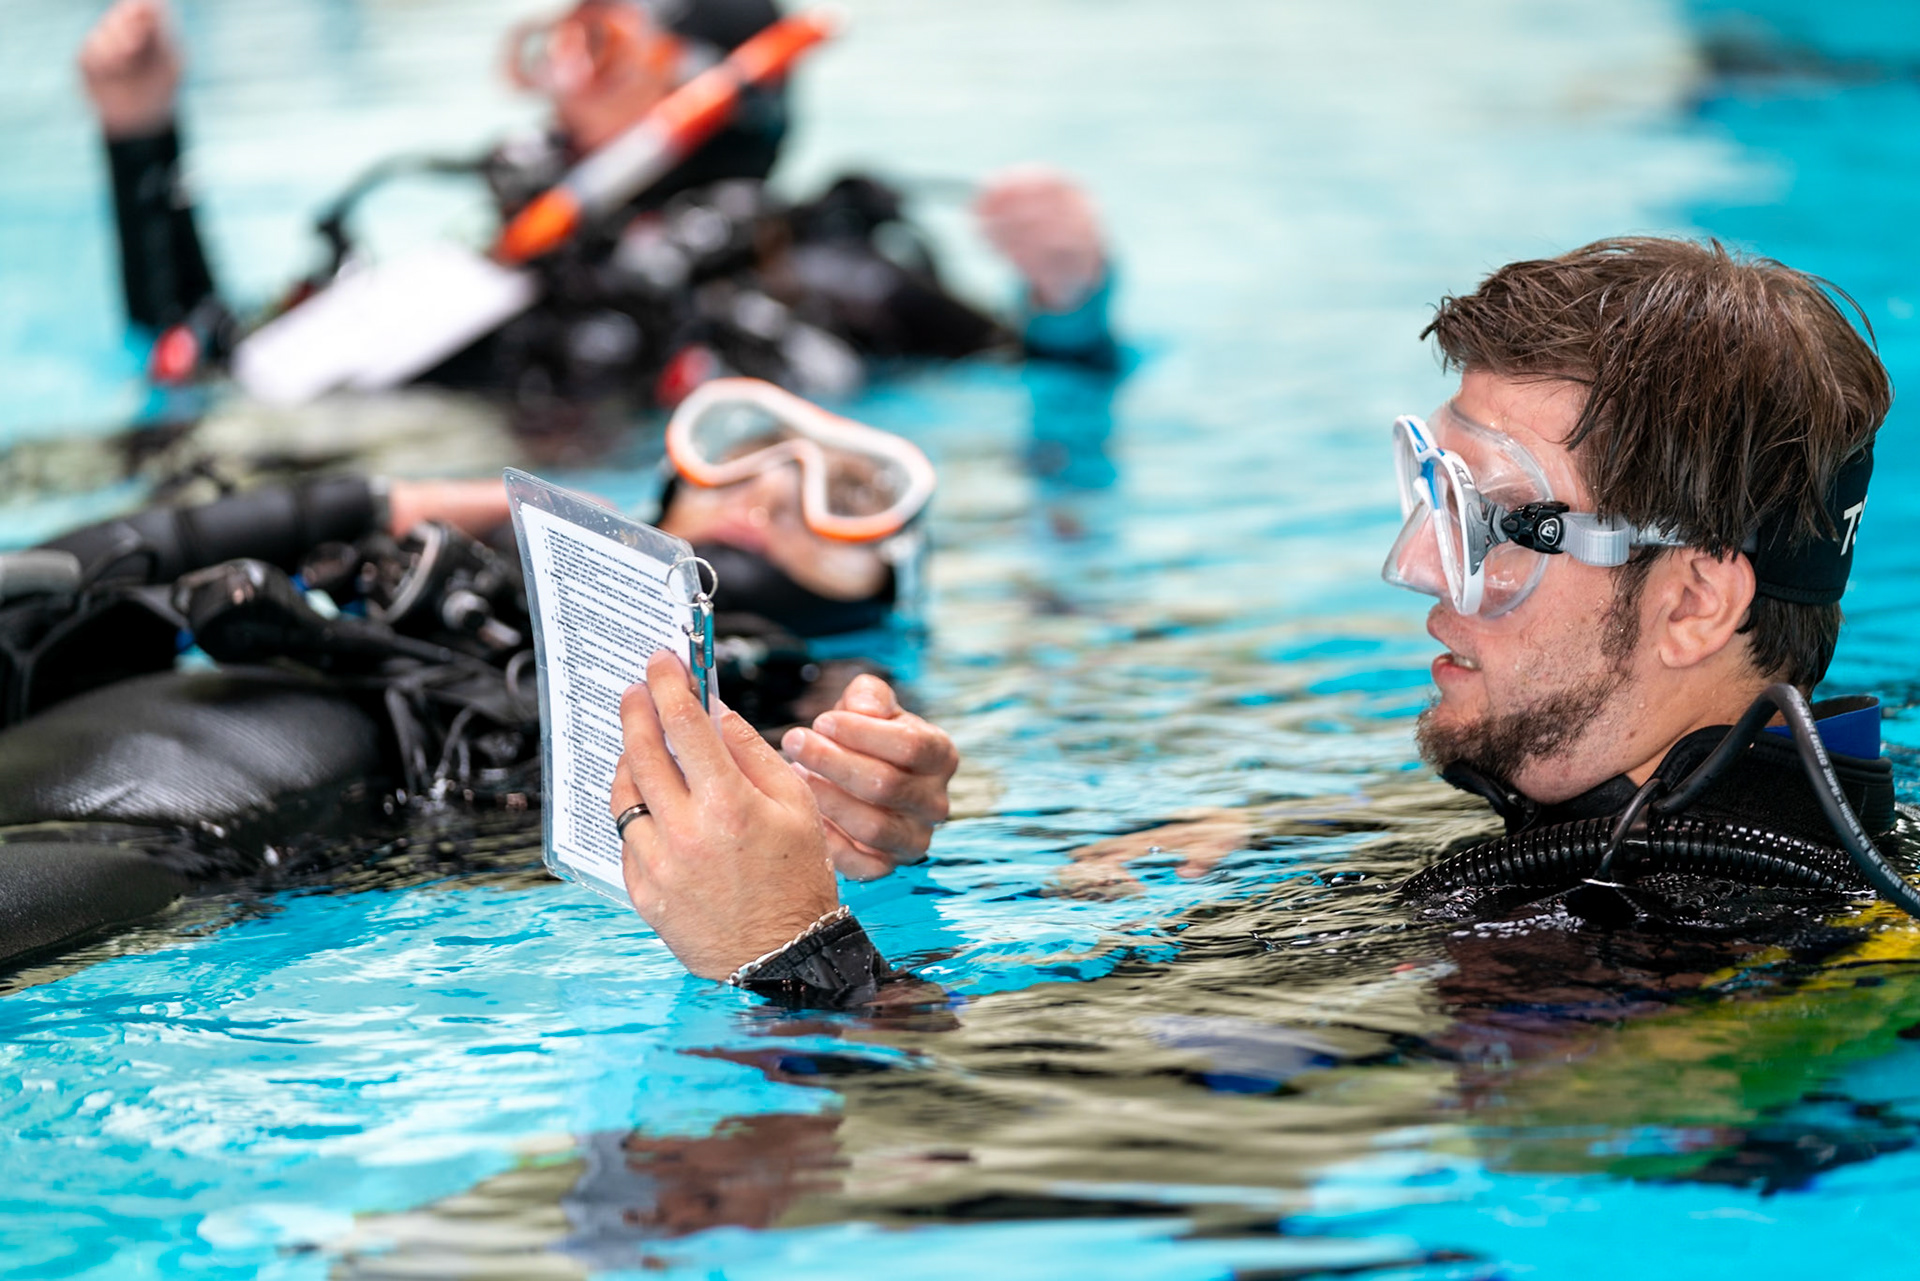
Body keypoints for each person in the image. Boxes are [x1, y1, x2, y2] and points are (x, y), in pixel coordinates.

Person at [604, 236, 1901, 1008]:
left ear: (1693, 602)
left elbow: (1048, 1170)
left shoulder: (1664, 971)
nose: (1412, 567)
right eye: (1426, 494)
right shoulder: (1700, 831)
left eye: (1493, 522)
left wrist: (786, 954)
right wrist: (904, 845)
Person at [77, 0, 1118, 408]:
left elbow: (1051, 379)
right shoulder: (481, 260)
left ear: (708, 84)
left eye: (598, 44)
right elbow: (189, 355)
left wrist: (1070, 293)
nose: (560, 78)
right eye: (558, 40)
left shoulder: (811, 270)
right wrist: (141, 133)